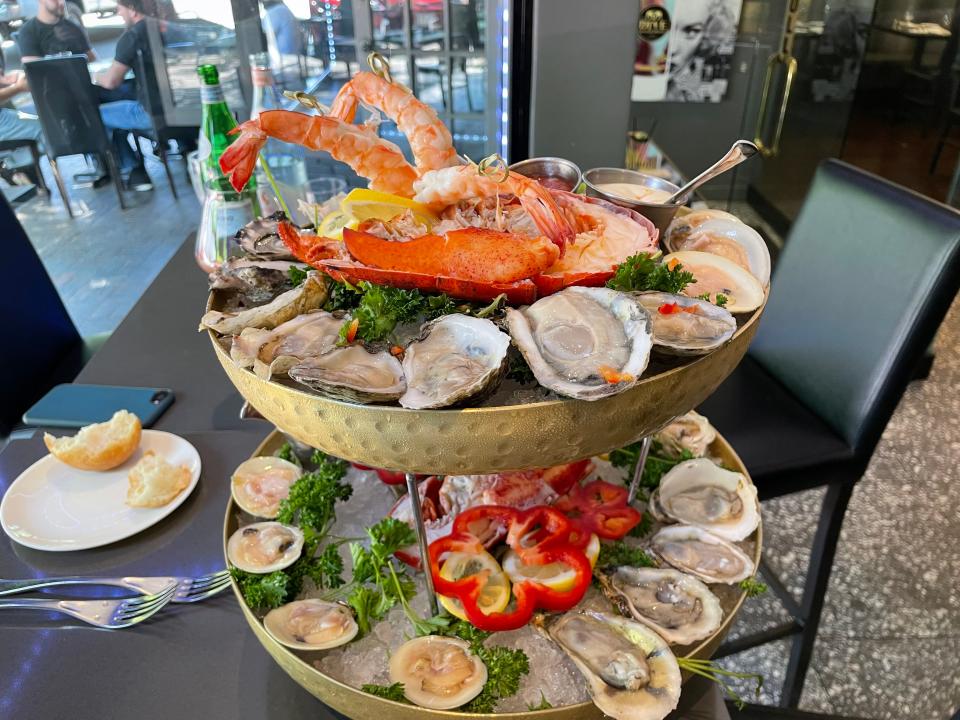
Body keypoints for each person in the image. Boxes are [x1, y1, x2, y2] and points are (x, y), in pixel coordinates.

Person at [95, 0, 158, 191]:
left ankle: (133, 170)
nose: (119, 13)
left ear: (132, 9)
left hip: (151, 114)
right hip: (183, 109)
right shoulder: (167, 27)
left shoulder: (132, 37)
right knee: (119, 111)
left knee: (96, 115)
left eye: (119, 8)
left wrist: (96, 75)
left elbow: (111, 82)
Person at [17, 0, 95, 63]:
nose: (61, 2)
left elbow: (92, 58)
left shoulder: (72, 26)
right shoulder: (29, 31)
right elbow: (33, 70)